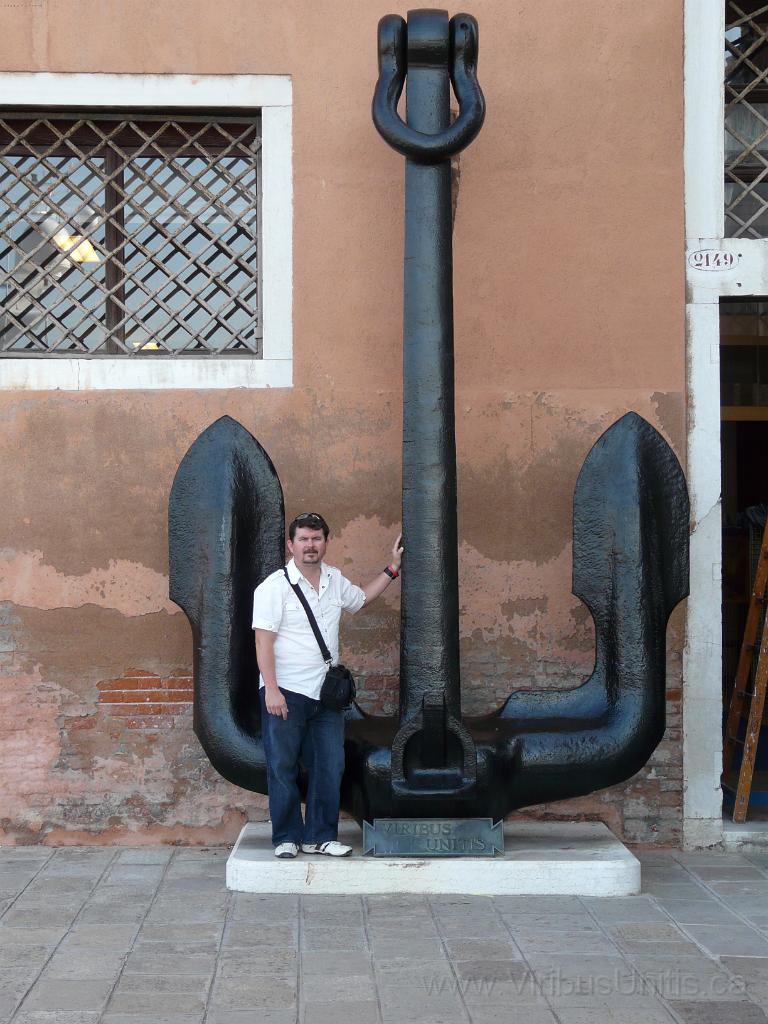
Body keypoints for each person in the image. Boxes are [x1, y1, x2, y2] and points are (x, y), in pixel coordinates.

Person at [252, 512, 403, 858]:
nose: (310, 545)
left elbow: (361, 599)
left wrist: (392, 568)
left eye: (316, 538)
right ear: (291, 545)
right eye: (303, 539)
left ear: (325, 542)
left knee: (329, 765)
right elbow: (263, 642)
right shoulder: (273, 587)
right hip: (286, 691)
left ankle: (319, 835)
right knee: (282, 765)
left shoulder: (334, 580)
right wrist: (271, 689)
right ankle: (287, 837)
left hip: (326, 695)